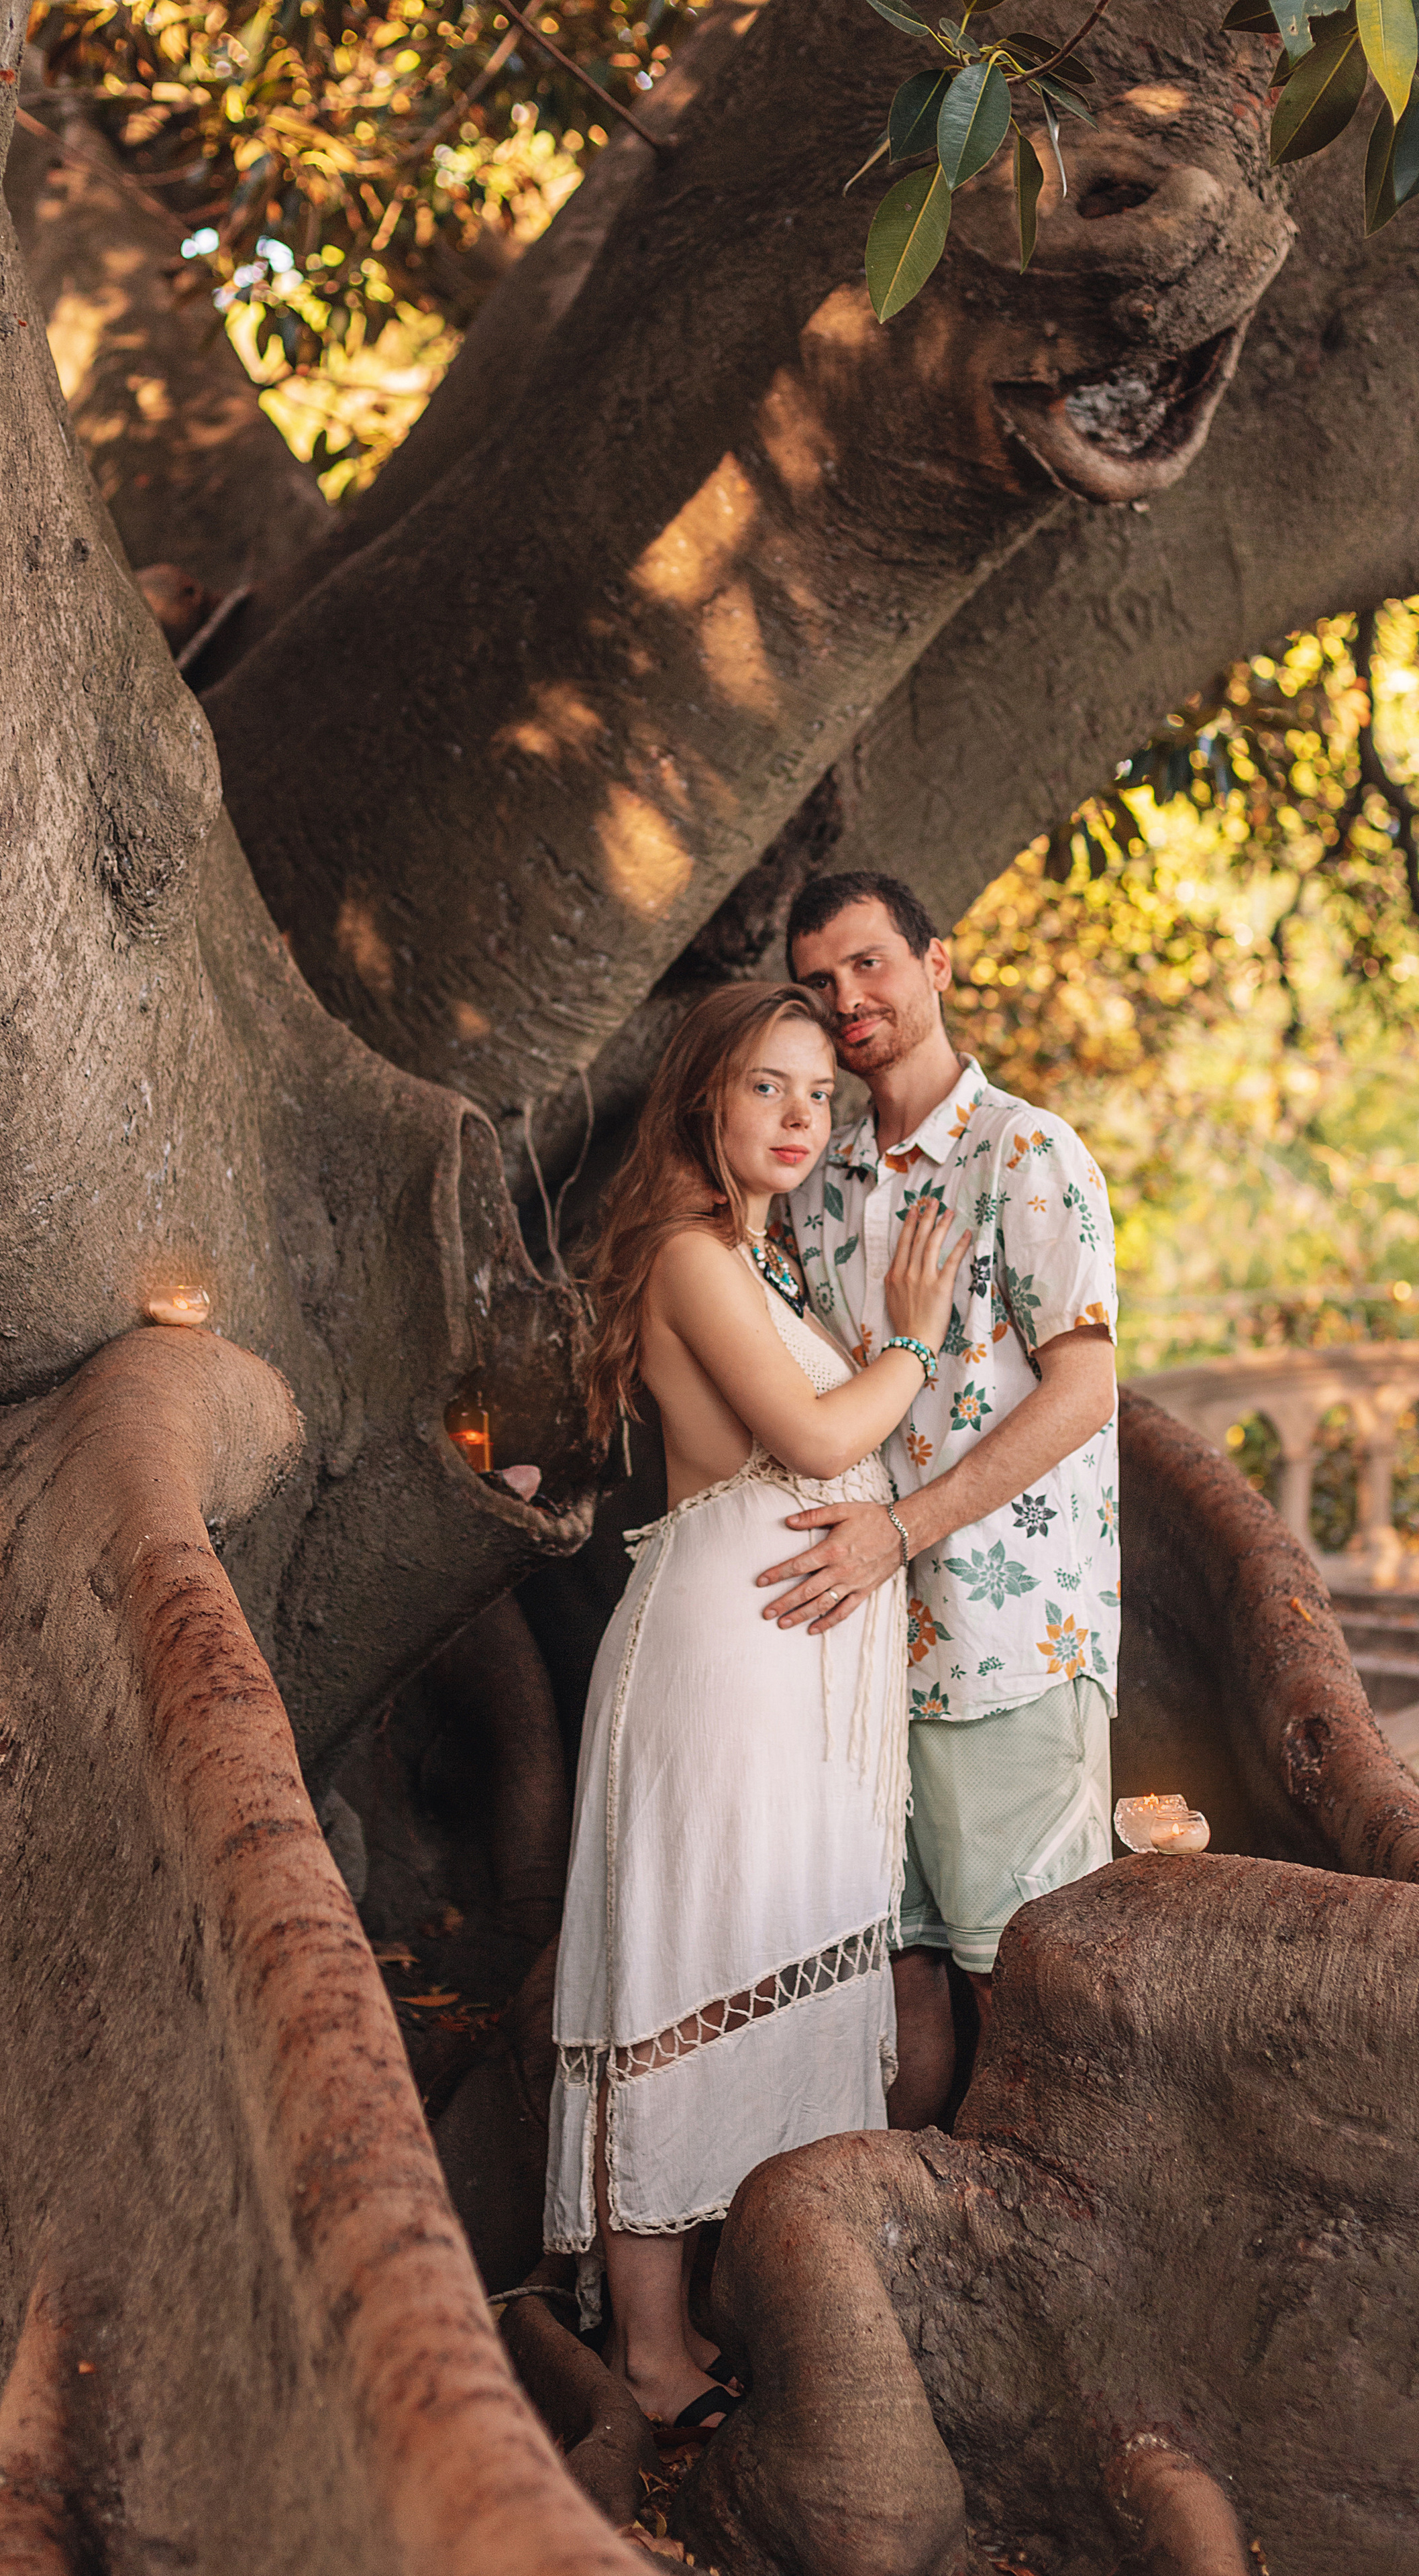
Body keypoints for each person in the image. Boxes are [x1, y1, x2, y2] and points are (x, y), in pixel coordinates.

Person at [544, 979, 968, 2433]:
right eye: (766, 1090)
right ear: (702, 1102)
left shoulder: (758, 1262)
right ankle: (648, 2358)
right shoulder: (684, 1253)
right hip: (713, 1670)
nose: (799, 1118)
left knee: (762, 1959)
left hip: (783, 1673)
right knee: (680, 1977)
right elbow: (807, 1438)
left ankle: (728, 2303)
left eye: (816, 1095)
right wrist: (906, 1342)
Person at [764, 872, 1119, 2128]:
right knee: (894, 1974)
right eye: (820, 981)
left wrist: (903, 1531)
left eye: (869, 964)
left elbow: (1083, 1392)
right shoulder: (815, 1179)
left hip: (1007, 1644)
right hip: (859, 1647)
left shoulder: (1027, 1155)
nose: (846, 999)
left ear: (937, 964)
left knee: (1022, 1982)